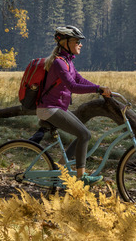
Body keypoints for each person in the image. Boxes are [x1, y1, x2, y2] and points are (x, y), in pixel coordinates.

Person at [36, 25, 111, 185]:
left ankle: (60, 170)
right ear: (65, 42)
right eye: (77, 41)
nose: (80, 44)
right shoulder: (59, 63)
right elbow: (73, 86)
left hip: (56, 108)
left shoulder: (67, 62)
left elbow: (80, 80)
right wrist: (97, 88)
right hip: (49, 109)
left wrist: (100, 89)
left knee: (84, 134)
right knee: (84, 134)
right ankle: (81, 176)